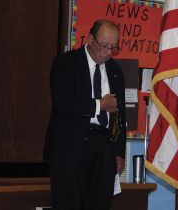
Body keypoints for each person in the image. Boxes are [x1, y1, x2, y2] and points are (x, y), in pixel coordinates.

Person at [43, 19, 126, 210]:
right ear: (90, 39)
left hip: (104, 150)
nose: (108, 52)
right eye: (104, 46)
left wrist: (119, 152)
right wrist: (99, 105)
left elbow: (120, 115)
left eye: (113, 47)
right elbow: (63, 104)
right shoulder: (66, 63)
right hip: (70, 150)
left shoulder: (115, 70)